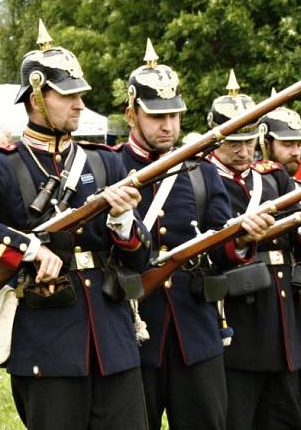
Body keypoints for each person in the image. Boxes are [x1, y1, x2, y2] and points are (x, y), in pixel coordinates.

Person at [0, 24, 152, 429]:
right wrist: (30, 250)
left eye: (79, 95)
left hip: (113, 340)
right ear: (37, 97)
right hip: (48, 343)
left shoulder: (104, 161)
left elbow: (140, 258)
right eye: (67, 95)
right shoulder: (1, 164)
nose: (78, 104)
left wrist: (122, 222)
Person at [117, 44, 270, 430]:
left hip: (195, 332)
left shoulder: (201, 173)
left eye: (174, 115)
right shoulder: (111, 166)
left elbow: (222, 247)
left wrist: (243, 239)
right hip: (134, 332)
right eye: (157, 116)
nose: (168, 126)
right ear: (131, 113)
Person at [207, 75, 301, 430]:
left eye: (249, 142)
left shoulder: (272, 179)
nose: (243, 152)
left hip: (282, 317)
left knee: (286, 417)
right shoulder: (202, 179)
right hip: (236, 318)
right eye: (234, 144)